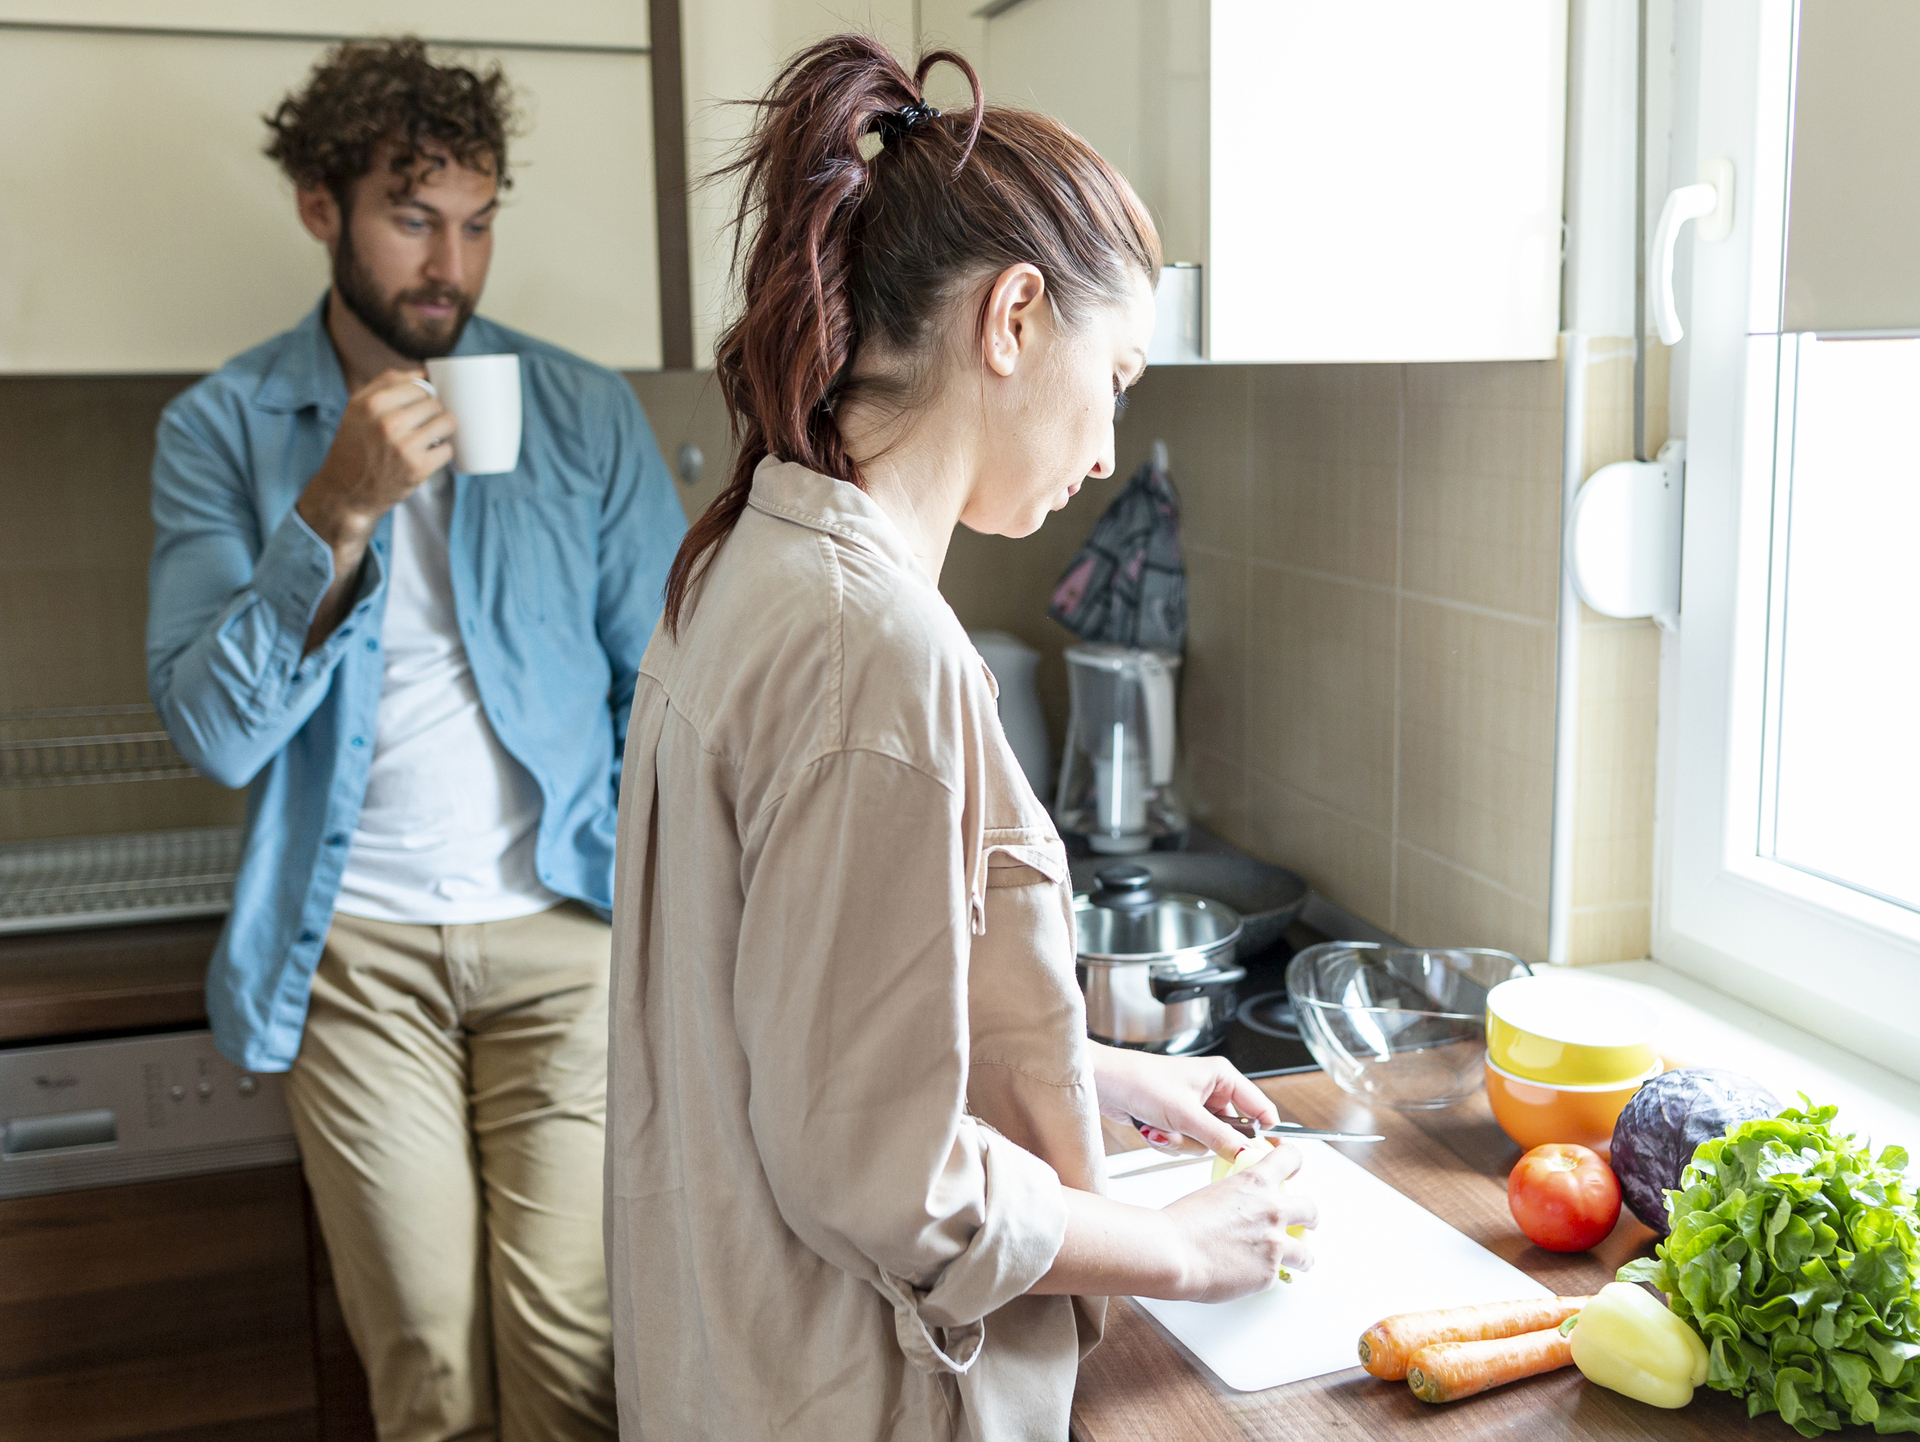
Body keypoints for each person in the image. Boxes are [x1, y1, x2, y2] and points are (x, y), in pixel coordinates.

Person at [606, 35, 1315, 1442]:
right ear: (1013, 318)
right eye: (1113, 378)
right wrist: (1196, 1249)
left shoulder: (750, 554)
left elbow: (804, 1027)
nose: (1109, 447)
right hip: (851, 1394)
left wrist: (1096, 1074)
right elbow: (889, 1180)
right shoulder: (881, 649)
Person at [146, 38, 685, 1442]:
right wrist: (335, 506)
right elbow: (213, 729)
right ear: (323, 209)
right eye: (412, 214)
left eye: (479, 219)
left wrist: (651, 888)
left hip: (564, 937)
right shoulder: (223, 428)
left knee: (575, 1355)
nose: (451, 260)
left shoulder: (582, 410)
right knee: (431, 1372)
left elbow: (672, 688)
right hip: (357, 952)